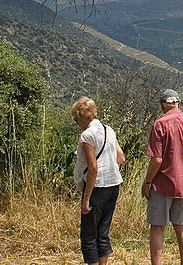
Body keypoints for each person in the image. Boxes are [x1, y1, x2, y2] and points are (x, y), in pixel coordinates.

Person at [143, 89, 183, 265]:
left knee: (157, 227)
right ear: (179, 104)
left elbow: (157, 159)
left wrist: (147, 182)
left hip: (161, 186)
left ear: (162, 106)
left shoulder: (159, 125)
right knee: (182, 227)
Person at [72, 97, 126, 265]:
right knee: (102, 232)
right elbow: (121, 158)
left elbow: (93, 168)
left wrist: (86, 198)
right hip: (113, 185)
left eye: (76, 119)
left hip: (97, 188)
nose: (76, 123)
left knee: (89, 235)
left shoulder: (87, 135)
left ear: (82, 117)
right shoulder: (108, 130)